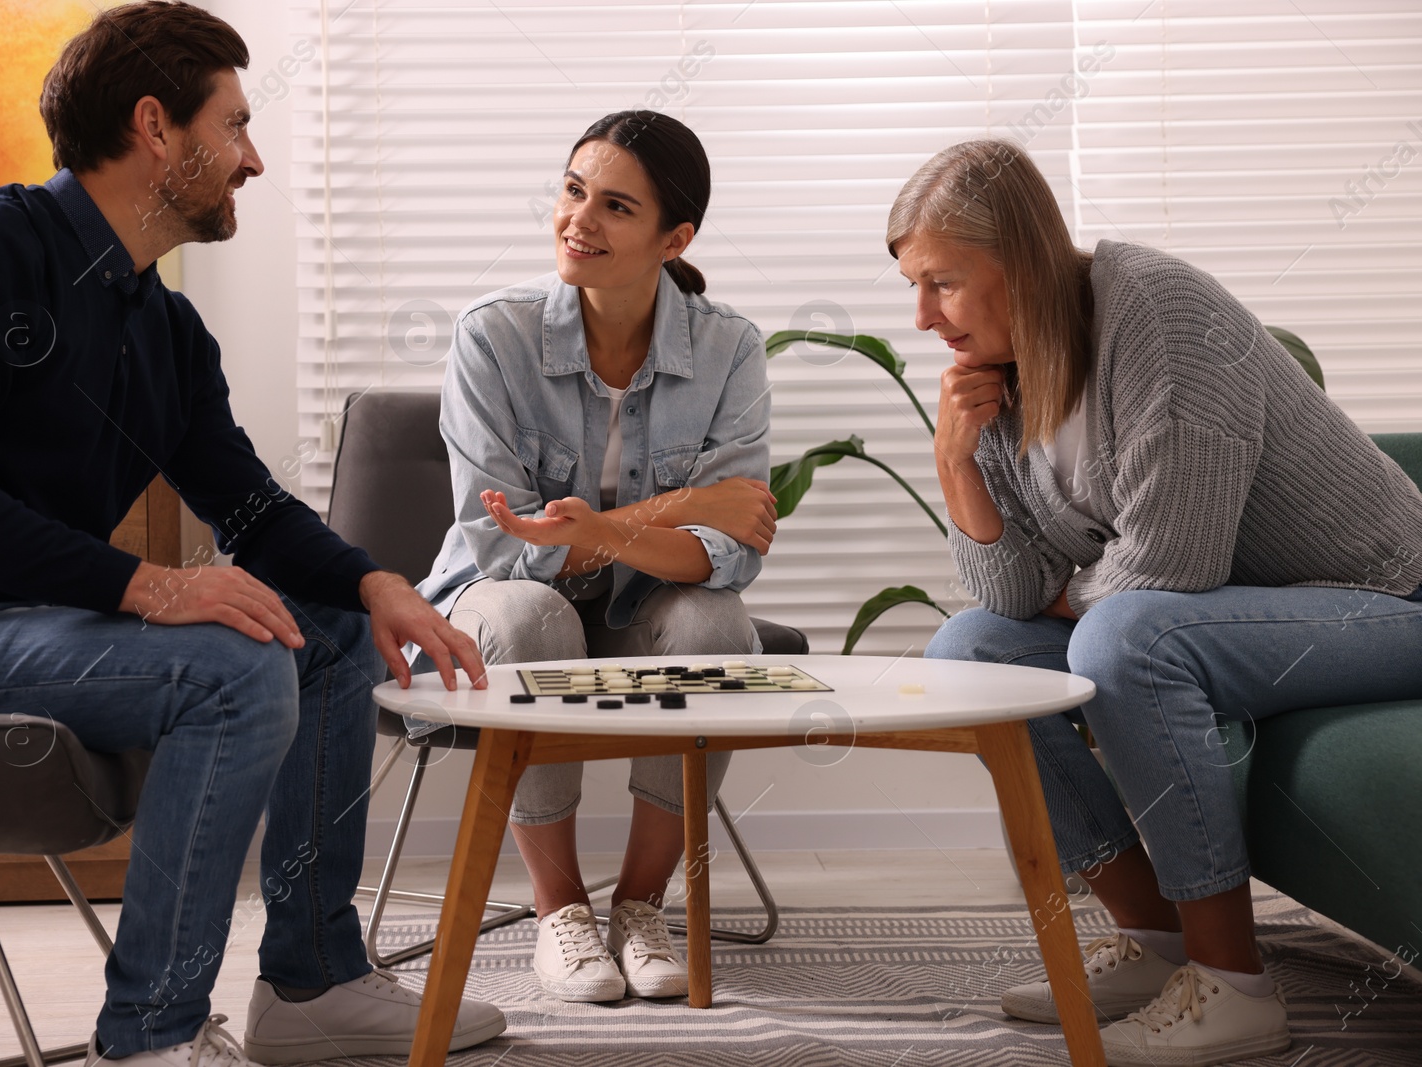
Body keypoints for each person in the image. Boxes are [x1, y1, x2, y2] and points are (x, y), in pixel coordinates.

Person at [0, 4, 505, 1064]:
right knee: (227, 667)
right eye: (233, 126)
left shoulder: (162, 324)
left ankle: (312, 984)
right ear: (155, 126)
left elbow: (246, 504)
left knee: (317, 625)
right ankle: (152, 1037)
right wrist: (148, 586)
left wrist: (374, 583)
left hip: (9, 629)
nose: (255, 158)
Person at [890, 140, 1422, 1067]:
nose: (924, 315)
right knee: (971, 650)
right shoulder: (1006, 374)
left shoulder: (1162, 314)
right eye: (913, 286)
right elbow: (1015, 595)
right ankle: (1161, 942)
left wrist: (1076, 591)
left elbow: (1168, 566)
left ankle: (1236, 984)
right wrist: (956, 463)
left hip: (1388, 598)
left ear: (1019, 260)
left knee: (1126, 637)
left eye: (942, 282)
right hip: (1254, 616)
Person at [415, 111, 774, 1004]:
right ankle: (559, 908)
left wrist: (602, 529)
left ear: (673, 237)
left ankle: (641, 904)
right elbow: (506, 545)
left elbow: (730, 553)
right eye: (574, 191)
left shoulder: (731, 348)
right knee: (532, 612)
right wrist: (682, 506)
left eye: (615, 206)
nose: (579, 220)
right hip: (501, 604)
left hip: (647, 601)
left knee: (717, 621)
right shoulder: (491, 336)